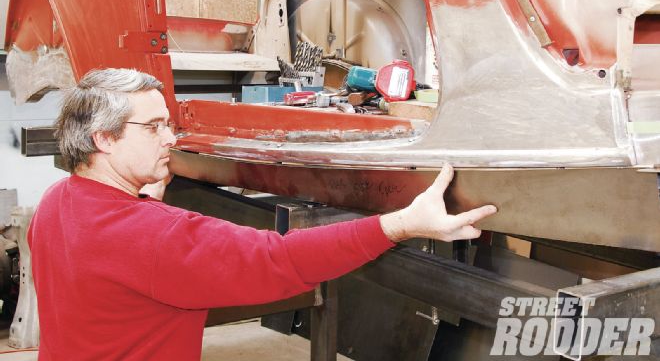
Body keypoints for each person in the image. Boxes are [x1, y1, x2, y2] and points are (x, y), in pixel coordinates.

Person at [28, 68, 497, 361]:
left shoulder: (55, 203)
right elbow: (282, 261)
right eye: (153, 127)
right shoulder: (158, 237)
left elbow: (120, 252)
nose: (170, 139)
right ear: (104, 140)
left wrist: (144, 197)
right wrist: (401, 223)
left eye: (169, 124)